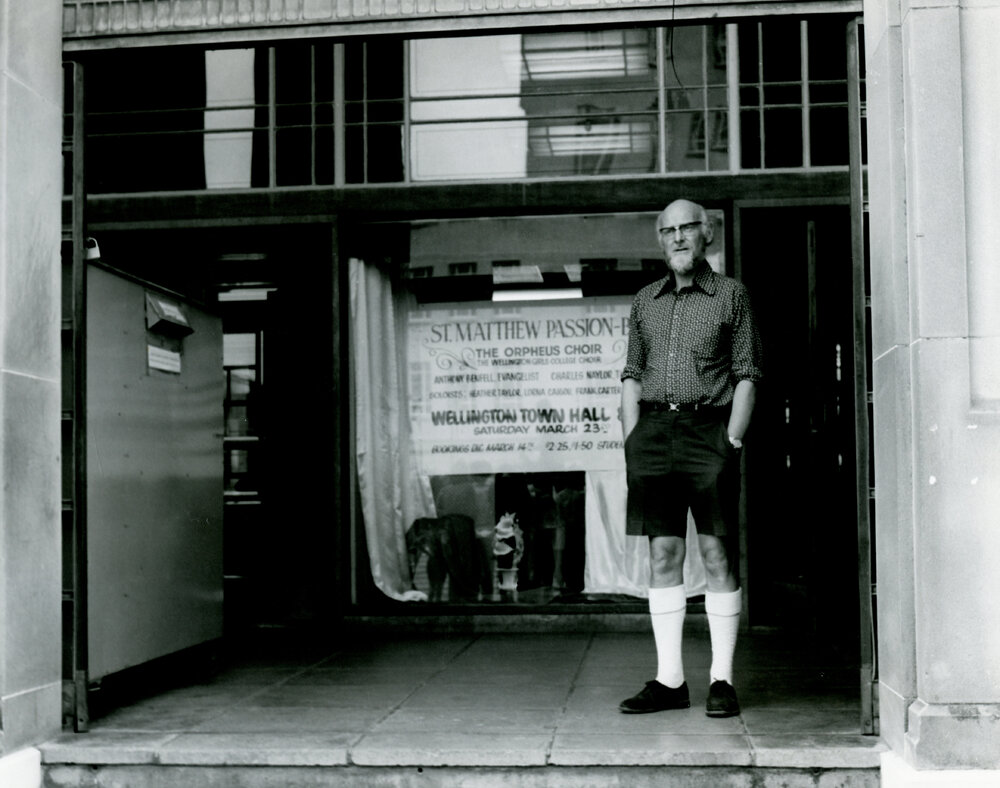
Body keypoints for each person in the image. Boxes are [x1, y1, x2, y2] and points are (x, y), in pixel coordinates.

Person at [617, 199, 763, 718]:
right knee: (663, 555)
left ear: (707, 235)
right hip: (653, 433)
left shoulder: (731, 295)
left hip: (710, 432)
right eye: (669, 230)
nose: (678, 237)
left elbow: (747, 373)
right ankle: (670, 680)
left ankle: (722, 679)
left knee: (717, 554)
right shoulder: (644, 301)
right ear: (660, 239)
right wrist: (633, 440)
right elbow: (631, 373)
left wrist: (733, 441)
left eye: (688, 228)